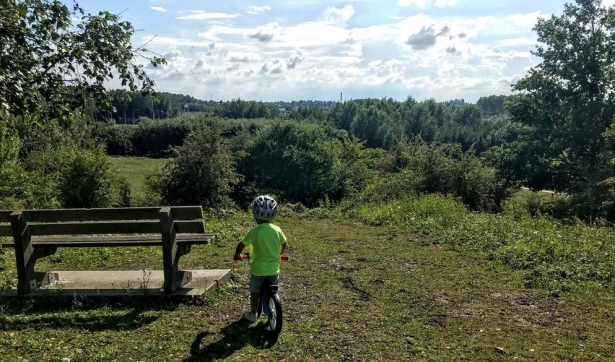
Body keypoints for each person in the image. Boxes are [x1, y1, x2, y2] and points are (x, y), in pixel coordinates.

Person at [234, 195, 287, 323]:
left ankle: (253, 314)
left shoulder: (254, 232)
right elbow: (283, 243)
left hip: (257, 270)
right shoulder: (277, 230)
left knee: (255, 292)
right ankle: (272, 302)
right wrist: (279, 254)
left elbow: (241, 245)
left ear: (255, 213)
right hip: (274, 269)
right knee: (273, 288)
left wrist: (238, 255)